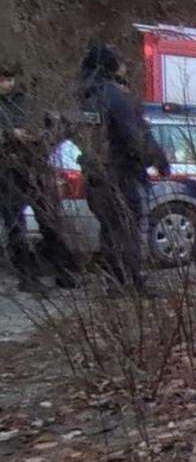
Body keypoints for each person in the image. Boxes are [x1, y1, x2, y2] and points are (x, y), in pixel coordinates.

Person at [78, 42, 171, 294]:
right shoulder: (115, 96)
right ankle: (133, 282)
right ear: (111, 66)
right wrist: (157, 160)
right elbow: (134, 136)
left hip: (96, 176)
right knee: (128, 229)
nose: (125, 67)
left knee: (110, 230)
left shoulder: (87, 95)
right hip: (120, 174)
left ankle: (115, 282)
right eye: (121, 62)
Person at [0, 63, 78, 293]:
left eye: (9, 79)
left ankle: (62, 270)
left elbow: (58, 127)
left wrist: (42, 138)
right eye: (3, 80)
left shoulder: (25, 102)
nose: (7, 84)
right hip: (7, 171)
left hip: (34, 167)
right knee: (16, 226)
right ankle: (27, 276)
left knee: (49, 221)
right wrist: (9, 136)